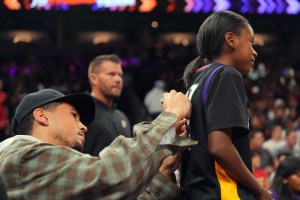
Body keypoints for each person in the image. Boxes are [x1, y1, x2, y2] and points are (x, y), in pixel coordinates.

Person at [0, 88, 197, 199]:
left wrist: (162, 172)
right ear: (42, 116)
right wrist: (169, 116)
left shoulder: (42, 173)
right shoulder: (20, 155)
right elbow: (114, 174)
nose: (84, 126)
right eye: (74, 115)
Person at [181, 11, 273, 200]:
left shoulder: (197, 77)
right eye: (251, 42)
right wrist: (259, 189)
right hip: (221, 192)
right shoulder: (227, 74)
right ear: (231, 39)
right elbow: (219, 146)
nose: (254, 51)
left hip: (195, 191)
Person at [84, 54, 132, 156]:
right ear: (93, 78)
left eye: (120, 75)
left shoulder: (122, 117)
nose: (118, 79)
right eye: (111, 74)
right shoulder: (82, 112)